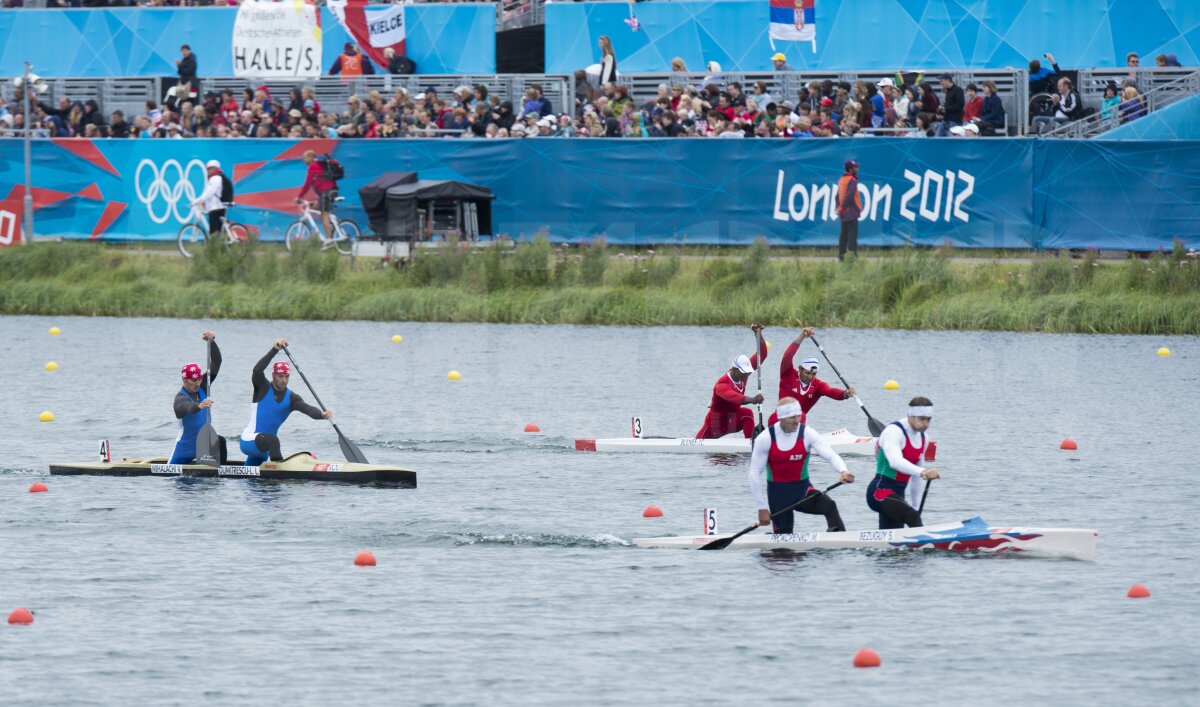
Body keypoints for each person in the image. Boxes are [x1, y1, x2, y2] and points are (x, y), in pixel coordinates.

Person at [749, 398, 856, 534]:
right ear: (781, 418)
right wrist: (761, 508)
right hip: (778, 496)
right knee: (783, 548)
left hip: (803, 492)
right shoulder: (765, 438)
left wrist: (843, 471)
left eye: (798, 416)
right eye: (792, 417)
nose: (797, 420)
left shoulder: (807, 433)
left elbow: (830, 455)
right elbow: (754, 473)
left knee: (829, 506)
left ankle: (839, 542)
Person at [239, 339, 332, 467]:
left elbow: (308, 409)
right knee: (274, 441)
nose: (284, 380)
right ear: (273, 375)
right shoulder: (262, 388)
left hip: (265, 449)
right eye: (280, 376)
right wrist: (274, 350)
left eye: (286, 376)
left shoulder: (292, 398)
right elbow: (257, 371)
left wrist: (322, 415)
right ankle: (279, 470)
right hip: (249, 440)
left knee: (251, 480)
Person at [865, 396, 940, 529]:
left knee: (893, 540)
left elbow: (917, 479)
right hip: (879, 491)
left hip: (898, 495)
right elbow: (895, 461)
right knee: (912, 517)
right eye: (921, 419)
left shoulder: (924, 438)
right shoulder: (894, 431)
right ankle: (923, 547)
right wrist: (922, 472)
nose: (926, 424)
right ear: (911, 416)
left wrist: (916, 507)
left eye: (928, 419)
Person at [768, 327, 855, 426]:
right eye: (807, 373)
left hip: (797, 423)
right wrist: (801, 337)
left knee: (802, 416)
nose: (810, 377)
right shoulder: (787, 373)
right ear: (800, 369)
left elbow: (830, 391)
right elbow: (787, 356)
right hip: (779, 420)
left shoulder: (818, 385)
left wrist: (846, 394)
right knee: (774, 417)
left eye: (813, 374)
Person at [696, 324, 768, 439]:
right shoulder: (722, 384)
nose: (747, 374)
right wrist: (753, 400)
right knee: (701, 450)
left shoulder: (743, 373)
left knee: (747, 414)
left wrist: (758, 334)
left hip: (732, 421)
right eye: (744, 372)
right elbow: (735, 398)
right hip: (714, 425)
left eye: (748, 371)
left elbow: (762, 354)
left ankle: (750, 443)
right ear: (734, 369)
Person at [170, 330, 223, 465]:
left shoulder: (203, 386)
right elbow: (187, 407)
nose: (197, 383)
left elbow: (217, 362)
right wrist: (199, 406)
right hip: (183, 450)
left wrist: (212, 342)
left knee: (220, 440)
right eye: (193, 380)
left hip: (203, 447)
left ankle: (221, 472)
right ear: (184, 380)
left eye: (199, 379)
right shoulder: (180, 398)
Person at [295, 149, 337, 241]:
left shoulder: (313, 166)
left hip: (326, 192)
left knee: (324, 215)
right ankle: (332, 227)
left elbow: (307, 183)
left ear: (311, 157)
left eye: (305, 158)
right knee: (315, 206)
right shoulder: (318, 165)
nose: (303, 160)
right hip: (330, 191)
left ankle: (329, 240)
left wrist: (299, 197)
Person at [190, 159, 232, 238]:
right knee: (219, 232)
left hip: (216, 208)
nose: (208, 171)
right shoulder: (218, 178)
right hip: (218, 207)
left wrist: (196, 202)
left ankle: (215, 248)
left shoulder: (215, 178)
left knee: (213, 233)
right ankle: (222, 248)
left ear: (214, 169)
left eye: (209, 169)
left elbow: (208, 194)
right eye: (208, 169)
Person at [836, 159, 861, 261]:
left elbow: (837, 196)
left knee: (843, 235)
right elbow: (850, 196)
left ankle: (841, 256)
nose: (857, 169)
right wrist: (842, 207)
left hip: (843, 213)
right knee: (852, 236)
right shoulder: (852, 180)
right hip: (851, 211)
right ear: (850, 169)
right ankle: (853, 257)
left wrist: (839, 208)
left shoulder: (842, 180)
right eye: (855, 167)